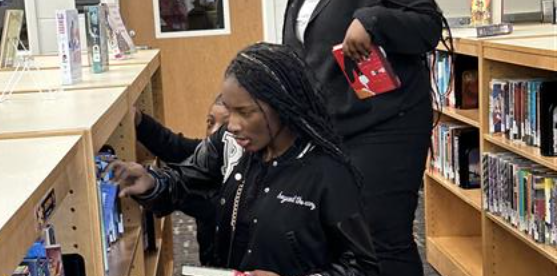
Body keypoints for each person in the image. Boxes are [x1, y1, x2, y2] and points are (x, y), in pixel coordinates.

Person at [282, 0, 451, 276]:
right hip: (332, 129)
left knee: (382, 235)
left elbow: (428, 27)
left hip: (387, 127)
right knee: (346, 237)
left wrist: (372, 19)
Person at [110, 43, 379, 276]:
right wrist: (150, 182)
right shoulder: (233, 146)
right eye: (229, 111)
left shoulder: (328, 173)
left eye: (244, 112)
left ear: (283, 106)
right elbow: (184, 181)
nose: (232, 125)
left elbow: (363, 267)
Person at [134, 95, 229, 265]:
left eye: (225, 127)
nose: (215, 132)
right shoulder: (206, 156)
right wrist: (140, 121)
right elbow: (171, 144)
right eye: (210, 123)